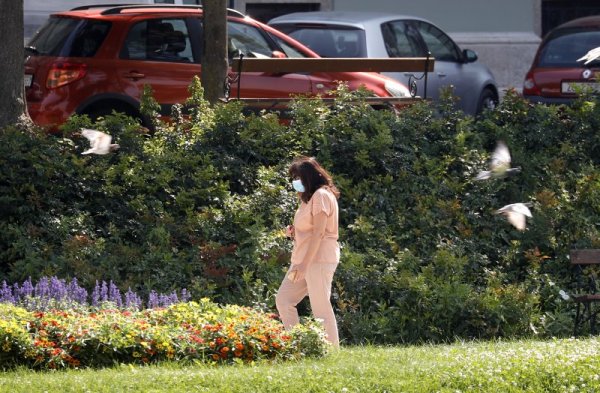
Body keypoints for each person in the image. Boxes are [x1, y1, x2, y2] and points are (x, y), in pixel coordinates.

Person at [275, 156, 341, 347]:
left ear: (309, 177)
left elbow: (320, 233)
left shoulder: (321, 196)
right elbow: (310, 229)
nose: (295, 182)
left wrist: (304, 265)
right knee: (284, 300)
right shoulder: (309, 199)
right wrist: (294, 232)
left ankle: (332, 352)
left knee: (320, 307)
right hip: (303, 260)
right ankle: (299, 346)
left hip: (318, 259)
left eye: (298, 177)